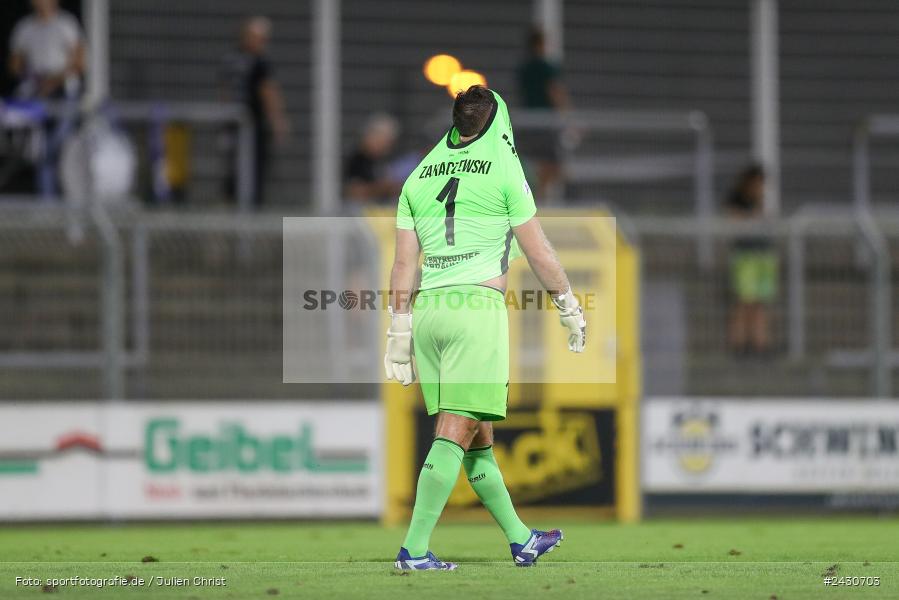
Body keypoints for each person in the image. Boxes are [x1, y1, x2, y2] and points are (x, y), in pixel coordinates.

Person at [384, 85, 585, 570]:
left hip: (430, 309)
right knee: (457, 425)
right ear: (499, 122)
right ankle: (413, 549)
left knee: (478, 437)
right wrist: (568, 305)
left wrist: (398, 333)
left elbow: (403, 266)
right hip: (475, 309)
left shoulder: (417, 175)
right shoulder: (503, 166)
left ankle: (521, 539)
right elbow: (539, 251)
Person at [220, 16, 289, 208]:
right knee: (248, 177)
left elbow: (224, 93)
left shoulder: (231, 59)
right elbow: (268, 92)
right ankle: (245, 222)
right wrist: (278, 122)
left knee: (235, 176)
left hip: (235, 128)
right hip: (250, 129)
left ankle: (239, 217)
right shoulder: (259, 63)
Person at [727, 165, 778, 355]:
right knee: (743, 302)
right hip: (745, 258)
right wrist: (752, 216)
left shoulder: (763, 200)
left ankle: (760, 343)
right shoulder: (737, 199)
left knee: (760, 304)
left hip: (762, 257)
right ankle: (739, 343)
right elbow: (733, 221)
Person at [516, 28, 568, 201]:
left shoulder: (523, 69)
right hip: (545, 123)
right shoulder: (546, 68)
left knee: (532, 162)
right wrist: (567, 117)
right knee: (553, 164)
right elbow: (555, 92)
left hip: (527, 123)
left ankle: (535, 194)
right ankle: (539, 197)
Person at [8, 0, 85, 99]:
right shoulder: (24, 27)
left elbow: (80, 62)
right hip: (35, 86)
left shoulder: (67, 23)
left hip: (64, 86)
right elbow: (14, 65)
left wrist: (54, 81)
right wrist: (31, 78)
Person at [344, 113, 401, 204]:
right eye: (386, 141)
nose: (388, 146)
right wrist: (383, 188)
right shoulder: (357, 160)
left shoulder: (382, 160)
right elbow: (354, 192)